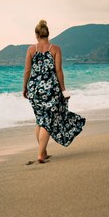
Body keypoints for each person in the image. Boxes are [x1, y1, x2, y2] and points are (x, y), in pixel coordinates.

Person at [23, 19, 86, 163]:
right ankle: (40, 154)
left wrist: (25, 88)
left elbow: (27, 71)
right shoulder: (55, 49)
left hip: (34, 89)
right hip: (51, 88)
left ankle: (43, 152)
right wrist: (63, 90)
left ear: (36, 35)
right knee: (47, 121)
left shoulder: (31, 49)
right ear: (48, 34)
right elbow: (58, 70)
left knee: (40, 120)